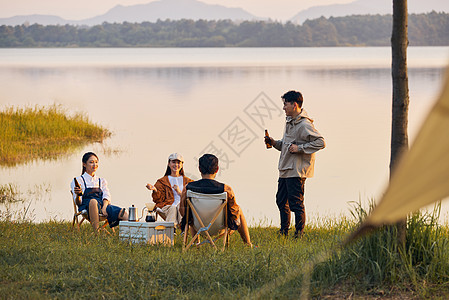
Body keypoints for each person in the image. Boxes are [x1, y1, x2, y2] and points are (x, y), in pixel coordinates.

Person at [265, 90, 325, 238]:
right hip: (285, 169)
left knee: (296, 204)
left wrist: (300, 148)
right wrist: (273, 143)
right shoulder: (289, 122)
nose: (283, 108)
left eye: (285, 104)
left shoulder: (304, 124)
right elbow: (286, 146)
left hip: (297, 170)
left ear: (294, 104)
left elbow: (320, 142)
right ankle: (284, 231)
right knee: (280, 200)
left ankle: (299, 234)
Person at [179, 153, 252, 247]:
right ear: (217, 169)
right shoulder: (226, 189)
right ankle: (248, 244)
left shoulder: (188, 188)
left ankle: (195, 243)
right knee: (239, 209)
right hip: (219, 226)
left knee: (191, 212)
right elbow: (234, 213)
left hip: (197, 226)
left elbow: (183, 212)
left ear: (199, 169)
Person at [71, 152, 128, 231]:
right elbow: (78, 202)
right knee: (93, 201)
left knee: (124, 213)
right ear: (84, 164)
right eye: (91, 162)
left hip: (102, 206)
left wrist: (104, 207)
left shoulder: (101, 180)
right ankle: (96, 233)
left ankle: (127, 237)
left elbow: (106, 195)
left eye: (96, 162)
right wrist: (78, 195)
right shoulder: (78, 180)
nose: (94, 165)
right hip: (86, 207)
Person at [146, 153, 193, 228]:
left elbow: (192, 197)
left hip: (182, 207)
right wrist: (155, 190)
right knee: (173, 208)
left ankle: (182, 230)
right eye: (173, 162)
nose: (176, 165)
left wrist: (180, 193)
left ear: (182, 165)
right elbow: (158, 200)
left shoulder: (189, 181)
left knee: (180, 207)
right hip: (167, 207)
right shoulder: (162, 181)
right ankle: (172, 230)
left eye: (178, 162)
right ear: (169, 164)